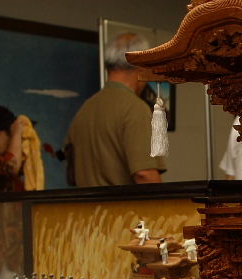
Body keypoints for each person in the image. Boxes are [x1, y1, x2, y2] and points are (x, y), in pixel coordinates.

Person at [64, 32, 166, 187]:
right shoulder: (135, 108)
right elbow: (144, 174)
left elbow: (72, 174)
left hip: (88, 203)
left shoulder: (84, 110)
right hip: (125, 203)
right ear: (140, 64)